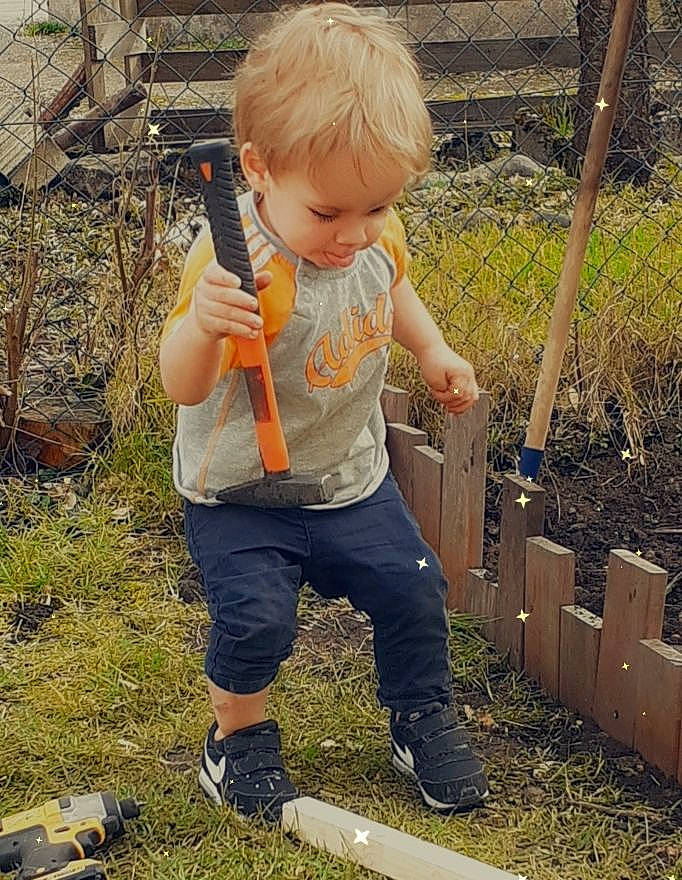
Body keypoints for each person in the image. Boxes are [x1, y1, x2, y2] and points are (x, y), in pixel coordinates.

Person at [159, 1, 490, 826]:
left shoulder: (374, 233)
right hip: (241, 492)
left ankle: (420, 717)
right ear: (260, 168)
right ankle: (234, 741)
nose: (355, 234)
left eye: (376, 207)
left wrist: (433, 350)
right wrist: (204, 325)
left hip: (349, 477)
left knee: (413, 589)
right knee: (256, 618)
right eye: (330, 213)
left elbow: (393, 285)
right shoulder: (238, 260)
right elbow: (182, 387)